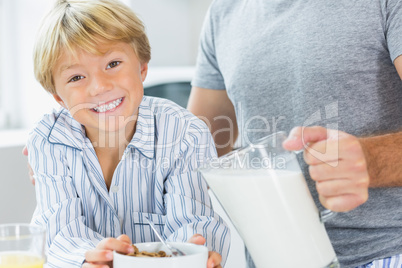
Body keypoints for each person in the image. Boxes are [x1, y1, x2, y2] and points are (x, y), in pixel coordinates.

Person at [187, 0, 402, 268]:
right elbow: (193, 156)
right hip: (273, 259)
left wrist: (372, 159)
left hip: (384, 253)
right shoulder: (223, 12)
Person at [26, 0, 230, 267]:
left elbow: (193, 221)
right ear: (59, 98)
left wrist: (191, 252)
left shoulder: (184, 133)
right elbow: (59, 232)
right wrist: (91, 258)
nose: (99, 87)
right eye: (76, 78)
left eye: (113, 63)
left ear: (142, 67)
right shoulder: (49, 140)